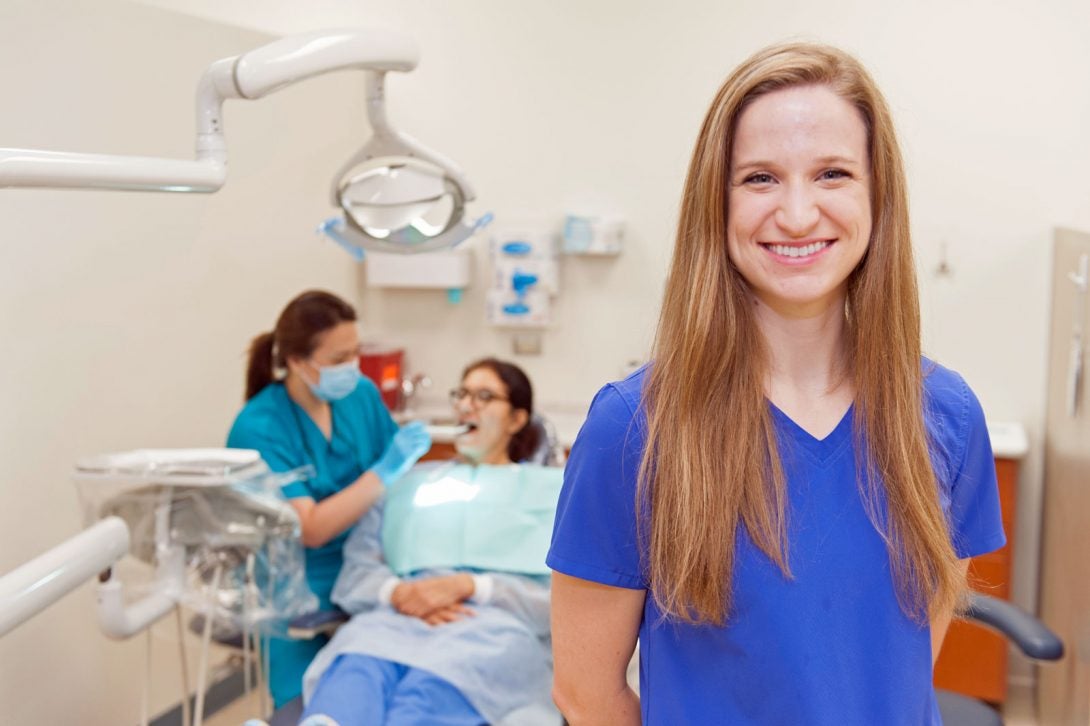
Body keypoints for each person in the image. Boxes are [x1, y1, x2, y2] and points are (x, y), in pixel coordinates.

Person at [547, 43, 1006, 725]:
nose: (796, 214)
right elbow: (586, 695)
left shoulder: (944, 415)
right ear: (717, 202)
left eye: (832, 174)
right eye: (760, 178)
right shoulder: (633, 430)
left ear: (877, 195)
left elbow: (909, 653)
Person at [298, 358, 561, 726]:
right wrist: (398, 593)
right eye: (463, 394)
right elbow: (357, 571)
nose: (468, 405)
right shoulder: (407, 485)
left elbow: (563, 602)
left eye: (485, 396)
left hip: (488, 630)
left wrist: (474, 586)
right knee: (356, 672)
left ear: (517, 419)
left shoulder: (548, 495)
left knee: (423, 696)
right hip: (391, 624)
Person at [226, 290, 431, 708]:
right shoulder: (259, 426)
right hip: (296, 593)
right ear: (299, 362)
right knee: (310, 706)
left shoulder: (360, 396)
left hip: (370, 570)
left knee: (392, 694)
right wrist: (384, 470)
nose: (352, 368)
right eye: (339, 360)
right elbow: (311, 528)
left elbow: (397, 491)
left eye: (355, 353)